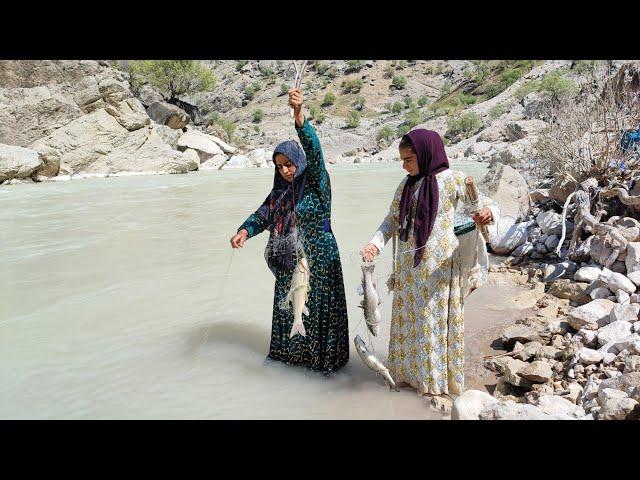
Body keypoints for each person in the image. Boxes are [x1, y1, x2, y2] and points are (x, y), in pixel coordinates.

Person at [360, 129, 500, 397]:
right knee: (408, 324)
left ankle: (434, 384)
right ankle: (406, 378)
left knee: (431, 324)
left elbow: (484, 207)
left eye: (408, 159)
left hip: (438, 271)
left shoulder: (454, 181)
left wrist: (487, 214)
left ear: (426, 154)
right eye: (402, 160)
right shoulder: (405, 186)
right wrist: (375, 244)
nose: (404, 165)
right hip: (408, 271)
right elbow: (391, 221)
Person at [230, 88, 349, 373]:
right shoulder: (280, 191)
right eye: (279, 166)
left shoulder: (317, 183)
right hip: (288, 260)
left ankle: (325, 368)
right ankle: (290, 364)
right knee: (289, 313)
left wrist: (299, 117)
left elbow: (316, 153)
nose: (285, 170)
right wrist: (245, 231)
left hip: (318, 262)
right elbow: (264, 213)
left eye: (289, 164)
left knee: (320, 314)